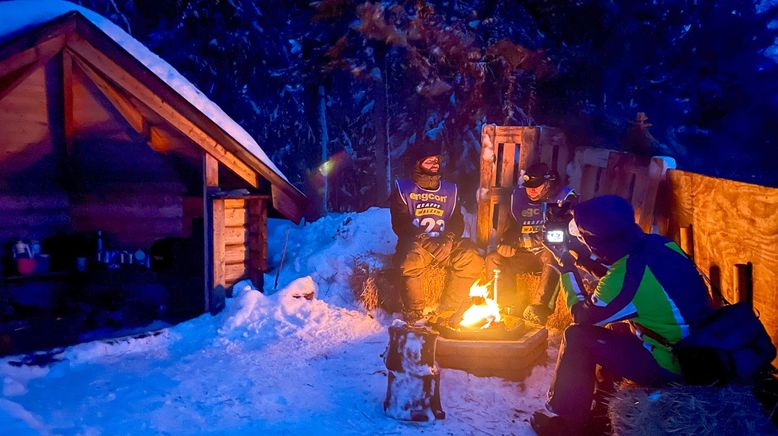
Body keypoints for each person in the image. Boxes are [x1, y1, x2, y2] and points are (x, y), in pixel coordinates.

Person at [530, 195, 716, 435]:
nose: (581, 240)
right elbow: (620, 274)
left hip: (674, 363)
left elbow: (582, 315)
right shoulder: (660, 244)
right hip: (696, 348)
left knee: (578, 336)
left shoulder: (629, 276)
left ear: (597, 243)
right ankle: (602, 407)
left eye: (583, 237)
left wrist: (566, 267)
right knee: (615, 327)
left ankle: (569, 424)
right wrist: (581, 254)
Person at [389, 138, 483, 323]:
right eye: (429, 161)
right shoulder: (403, 189)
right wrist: (425, 241)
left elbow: (457, 221)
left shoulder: (450, 190)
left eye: (436, 160)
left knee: (471, 258)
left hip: (444, 244)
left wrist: (448, 240)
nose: (434, 164)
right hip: (417, 244)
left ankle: (448, 311)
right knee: (411, 261)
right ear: (418, 163)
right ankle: (415, 312)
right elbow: (400, 224)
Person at [484, 162, 576, 325]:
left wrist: (521, 241)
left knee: (552, 255)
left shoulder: (565, 198)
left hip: (551, 252)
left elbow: (563, 236)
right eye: (528, 186)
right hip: (526, 253)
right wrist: (508, 241)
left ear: (548, 183)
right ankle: (506, 304)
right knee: (493, 259)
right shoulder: (518, 198)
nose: (531, 191)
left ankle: (538, 309)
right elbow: (511, 228)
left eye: (537, 186)